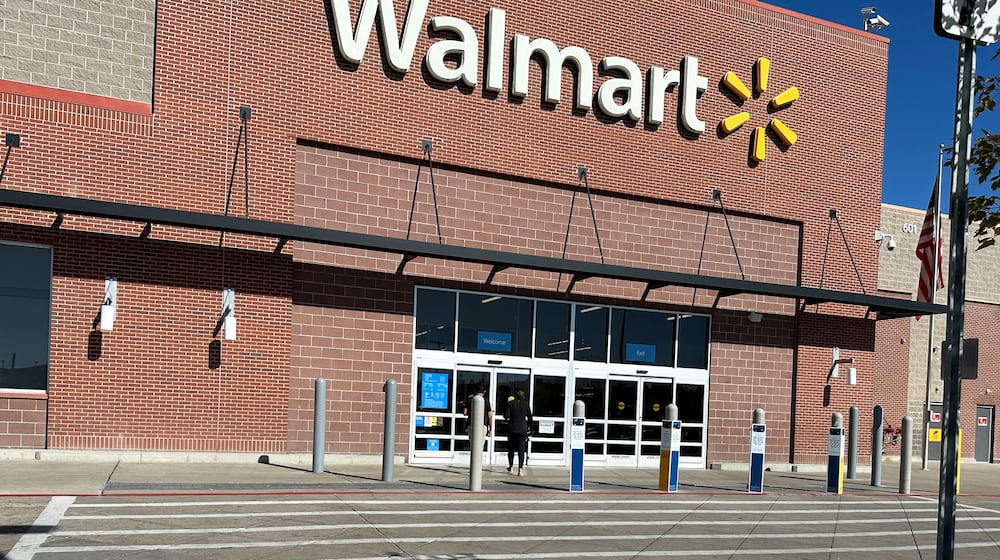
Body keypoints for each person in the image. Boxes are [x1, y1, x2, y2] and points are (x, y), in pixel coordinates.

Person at [503, 388, 532, 476]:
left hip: (512, 429)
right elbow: (530, 417)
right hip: (523, 428)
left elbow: (506, 416)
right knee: (521, 450)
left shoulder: (510, 403)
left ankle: (511, 467)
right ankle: (520, 469)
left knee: (511, 449)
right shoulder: (526, 404)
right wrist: (531, 427)